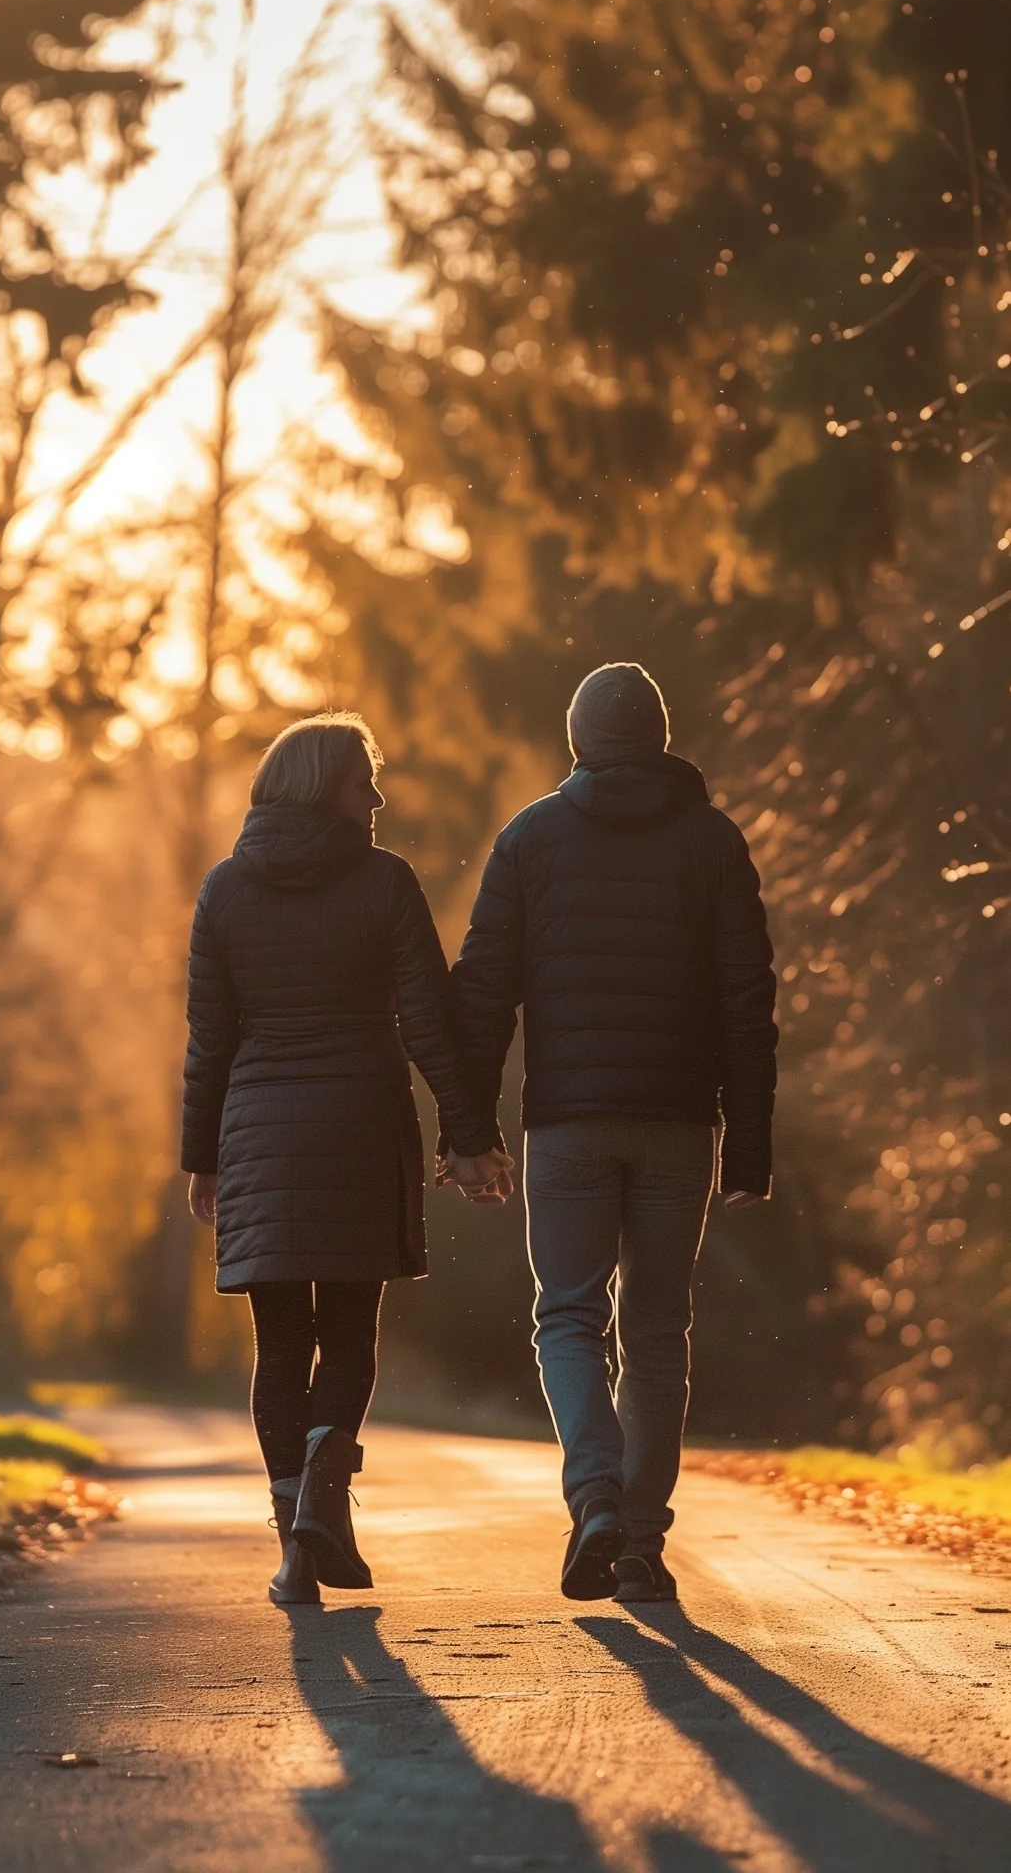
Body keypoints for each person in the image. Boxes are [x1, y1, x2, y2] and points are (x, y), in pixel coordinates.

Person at [445, 663, 777, 1605]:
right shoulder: (714, 843)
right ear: (661, 739)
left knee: (568, 1316)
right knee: (659, 1330)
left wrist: (466, 1128)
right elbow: (747, 1002)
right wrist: (747, 1144)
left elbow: (480, 994)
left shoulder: (530, 839)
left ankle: (594, 1495)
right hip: (681, 1125)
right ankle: (638, 1542)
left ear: (577, 740)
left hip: (569, 1126)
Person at [182, 712, 508, 1607]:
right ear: (329, 786)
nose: (376, 797)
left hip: (256, 1127)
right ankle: (327, 1498)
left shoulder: (223, 890)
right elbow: (428, 1023)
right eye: (364, 781)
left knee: (280, 1341)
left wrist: (201, 1156)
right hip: (361, 1119)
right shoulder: (384, 883)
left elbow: (209, 1041)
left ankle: (297, 1538)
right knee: (349, 1333)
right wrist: (468, 1132)